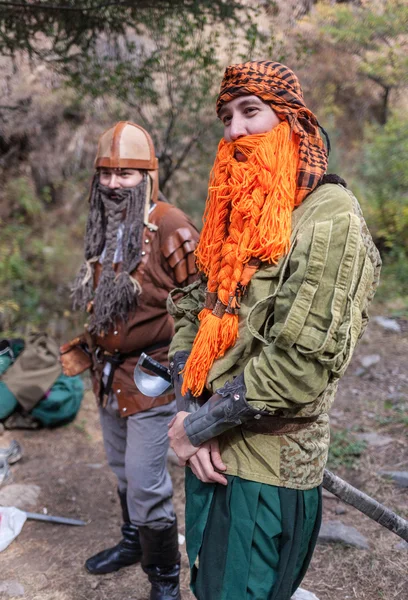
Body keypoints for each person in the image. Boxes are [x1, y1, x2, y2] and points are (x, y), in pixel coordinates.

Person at [167, 61, 381, 600]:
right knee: (210, 585)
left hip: (268, 467)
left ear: (291, 122)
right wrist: (189, 412)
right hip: (211, 452)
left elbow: (299, 365)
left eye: (250, 112)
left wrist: (194, 429)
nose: (235, 130)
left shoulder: (330, 217)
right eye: (226, 116)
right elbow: (195, 306)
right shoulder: (236, 207)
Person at [71, 121, 199, 600]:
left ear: (148, 174)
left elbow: (205, 303)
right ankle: (132, 542)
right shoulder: (104, 220)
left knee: (147, 486)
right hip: (108, 371)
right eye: (106, 173)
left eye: (126, 173)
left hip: (154, 375)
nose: (113, 184)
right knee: (123, 471)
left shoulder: (170, 225)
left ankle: (165, 581)